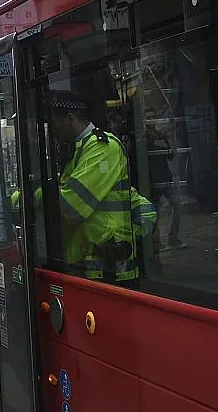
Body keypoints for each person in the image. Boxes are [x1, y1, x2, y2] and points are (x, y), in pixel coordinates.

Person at [48, 90, 156, 285]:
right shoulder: (79, 152)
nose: (52, 130)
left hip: (109, 271)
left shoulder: (102, 148)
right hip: (89, 268)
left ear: (70, 118)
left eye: (54, 123)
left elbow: (69, 208)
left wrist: (125, 242)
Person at [144, 108, 186, 250]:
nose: (151, 120)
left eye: (153, 116)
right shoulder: (144, 137)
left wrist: (162, 146)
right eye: (148, 117)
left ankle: (173, 237)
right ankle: (157, 241)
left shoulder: (159, 135)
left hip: (165, 177)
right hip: (154, 180)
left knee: (177, 205)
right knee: (155, 211)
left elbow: (170, 155)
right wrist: (158, 146)